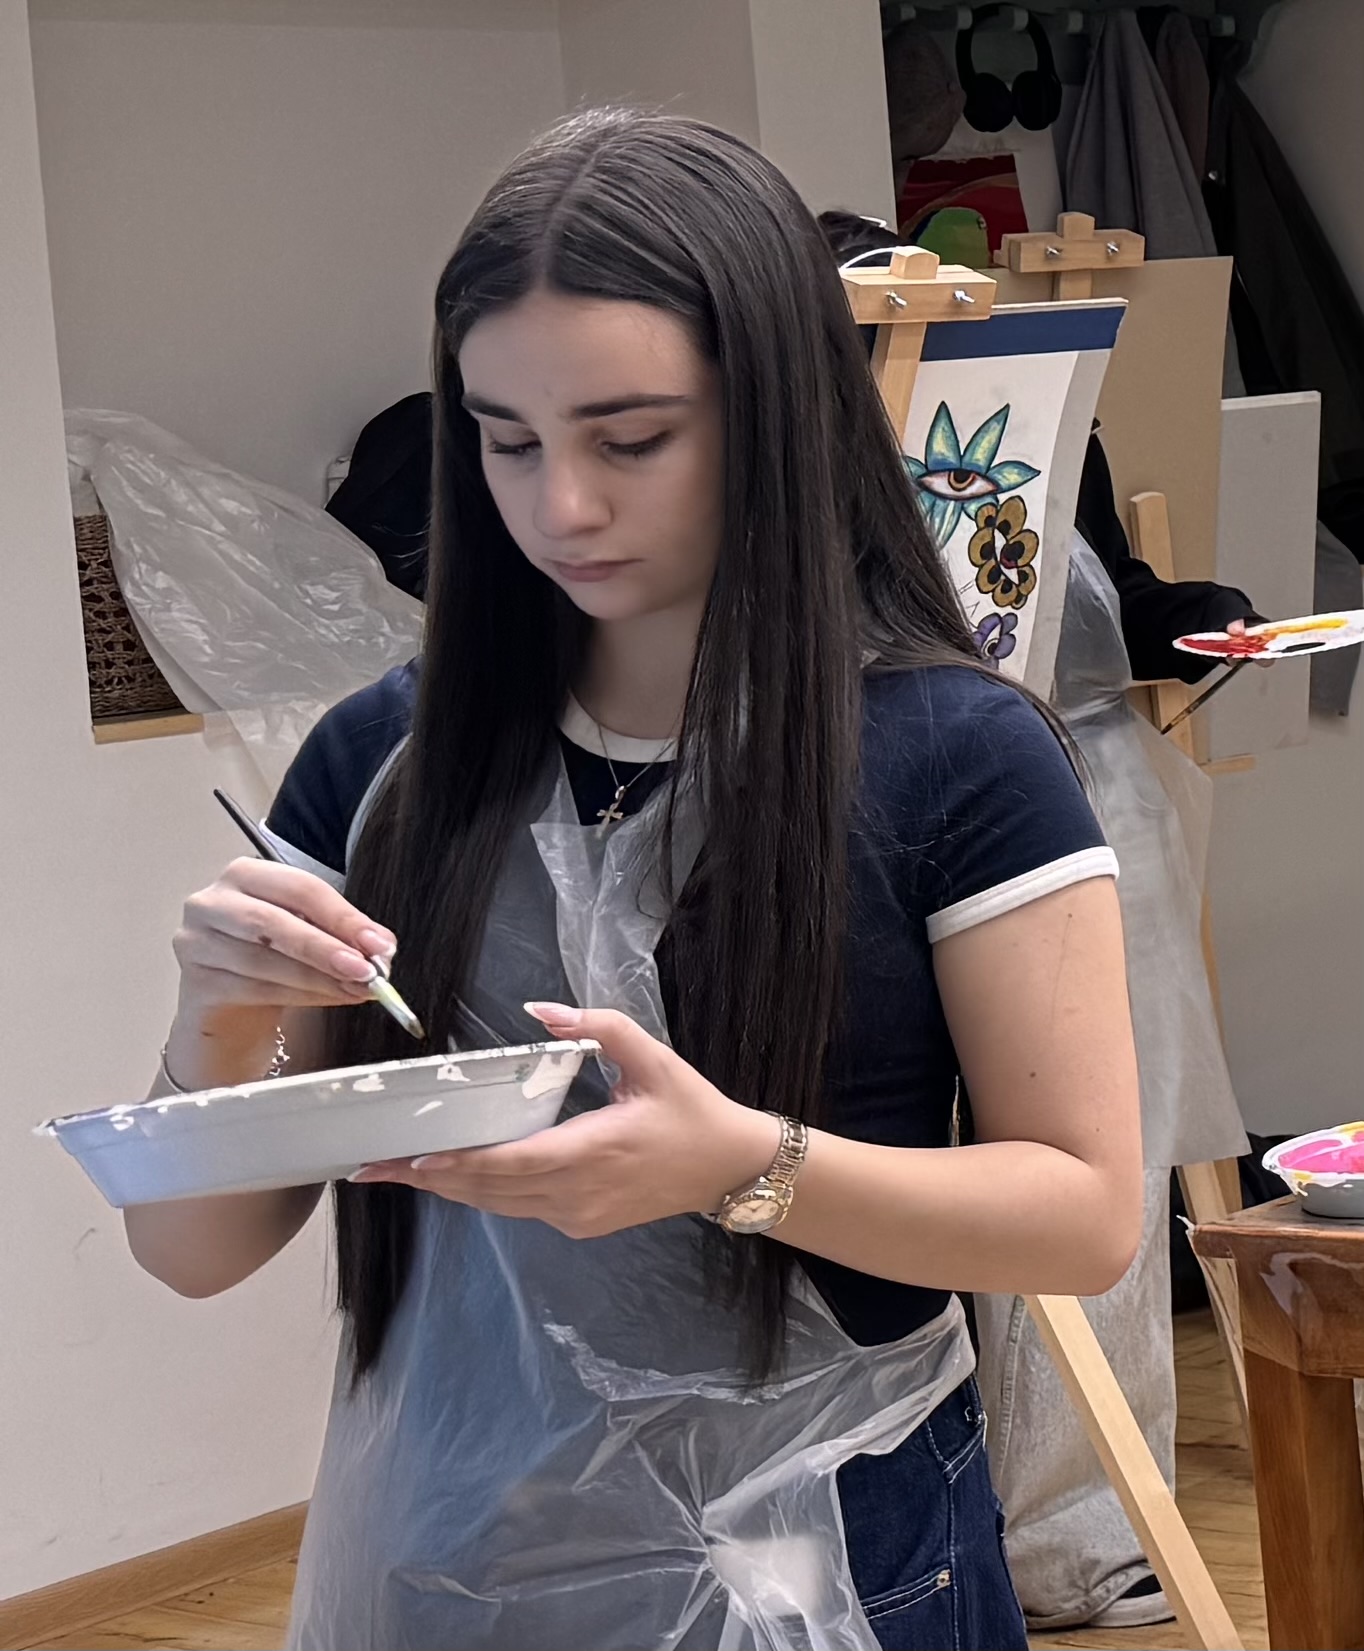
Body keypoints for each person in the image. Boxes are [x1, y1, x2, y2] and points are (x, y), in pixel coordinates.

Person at [123, 112, 1141, 1651]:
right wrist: (219, 1020)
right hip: (449, 1564)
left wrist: (740, 1165)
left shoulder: (956, 758)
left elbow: (1085, 1214)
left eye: (632, 438)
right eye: (506, 439)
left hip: (821, 1566)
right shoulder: (383, 765)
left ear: (775, 413)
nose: (563, 507)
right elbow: (190, 1250)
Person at [820, 209, 1254, 1632]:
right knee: (944, 1176)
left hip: (1074, 783)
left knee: (1096, 1164)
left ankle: (1081, 1539)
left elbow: (1103, 589)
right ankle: (982, 1528)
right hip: (880, 803)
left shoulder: (1027, 397)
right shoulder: (787, 453)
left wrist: (1200, 617)